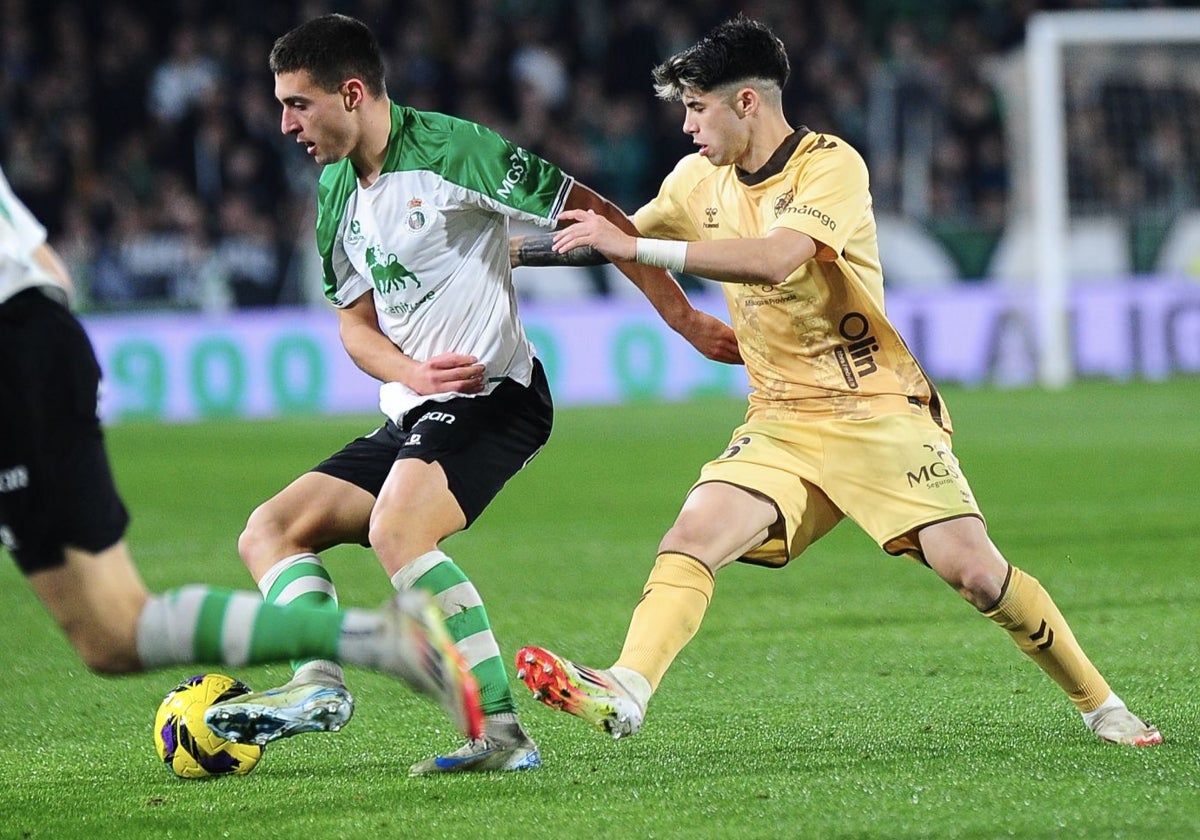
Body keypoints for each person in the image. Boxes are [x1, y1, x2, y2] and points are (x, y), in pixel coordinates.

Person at [514, 16, 1162, 749]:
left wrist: (633, 244)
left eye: (697, 108)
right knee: (691, 535)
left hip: (876, 409)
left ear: (747, 103)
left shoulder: (831, 167)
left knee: (977, 575)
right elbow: (612, 241)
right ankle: (625, 688)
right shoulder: (696, 181)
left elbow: (777, 259)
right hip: (781, 417)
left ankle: (1101, 704)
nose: (688, 126)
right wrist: (504, 254)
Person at [213, 13, 740, 776]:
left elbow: (592, 213)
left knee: (399, 529)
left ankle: (499, 733)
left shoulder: (455, 152)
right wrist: (409, 374)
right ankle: (316, 686)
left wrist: (684, 316)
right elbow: (354, 328)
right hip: (420, 405)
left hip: (497, 395)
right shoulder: (333, 191)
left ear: (352, 93)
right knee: (269, 531)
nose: (285, 123)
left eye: (298, 103)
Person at [0, 161, 482, 748]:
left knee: (115, 628)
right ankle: (353, 652)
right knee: (113, 637)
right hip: (37, 347)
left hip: (17, 366)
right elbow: (48, 270)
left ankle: (373, 639)